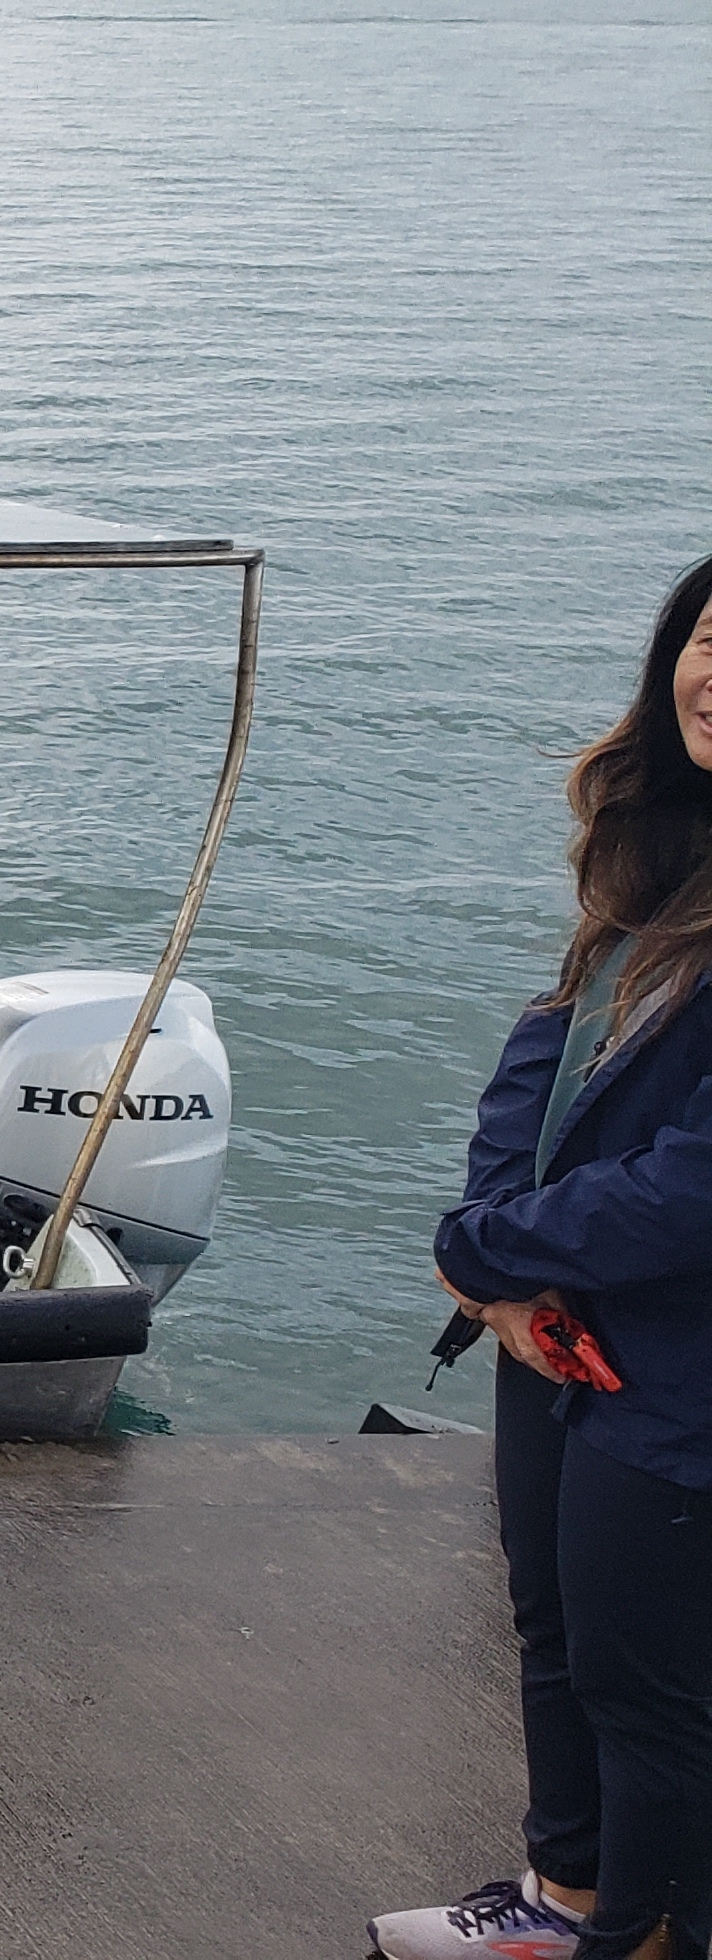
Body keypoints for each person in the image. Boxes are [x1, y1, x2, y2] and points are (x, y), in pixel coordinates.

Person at [377, 558, 712, 1960]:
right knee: (556, 1627)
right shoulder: (665, 853)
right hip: (556, 1336)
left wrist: (495, 1248)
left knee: (654, 1693)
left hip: (679, 1382)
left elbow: (693, 1189)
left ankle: (643, 1938)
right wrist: (491, 1261)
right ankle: (560, 1902)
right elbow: (550, 1044)